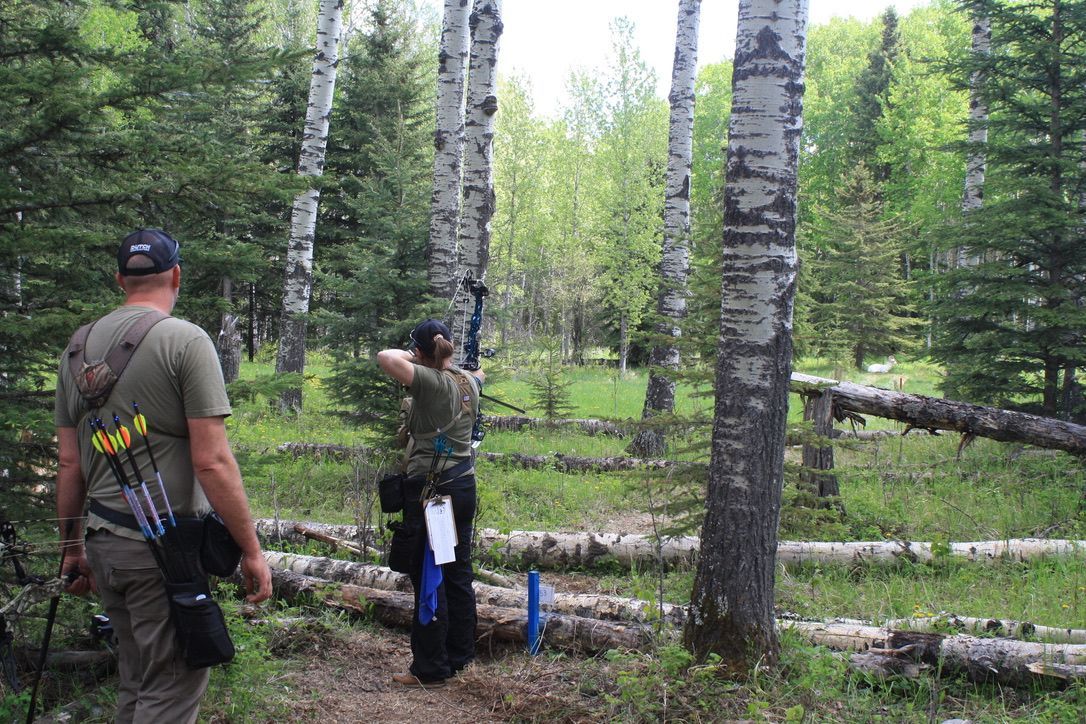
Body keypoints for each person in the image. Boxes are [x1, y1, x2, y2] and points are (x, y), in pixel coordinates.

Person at [54, 229, 272, 723]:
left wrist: (72, 549)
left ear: (119, 281)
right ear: (176, 275)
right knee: (171, 686)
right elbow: (212, 461)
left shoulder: (77, 347)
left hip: (104, 544)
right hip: (161, 552)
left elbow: (69, 464)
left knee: (137, 681)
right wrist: (252, 552)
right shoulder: (184, 340)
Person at [377, 319, 482, 688]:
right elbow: (480, 371)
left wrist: (416, 356)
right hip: (464, 487)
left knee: (430, 578)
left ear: (422, 353)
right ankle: (461, 658)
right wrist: (448, 358)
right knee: (457, 574)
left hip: (434, 494)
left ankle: (431, 668)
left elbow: (384, 357)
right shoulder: (469, 382)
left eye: (417, 352)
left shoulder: (431, 382)